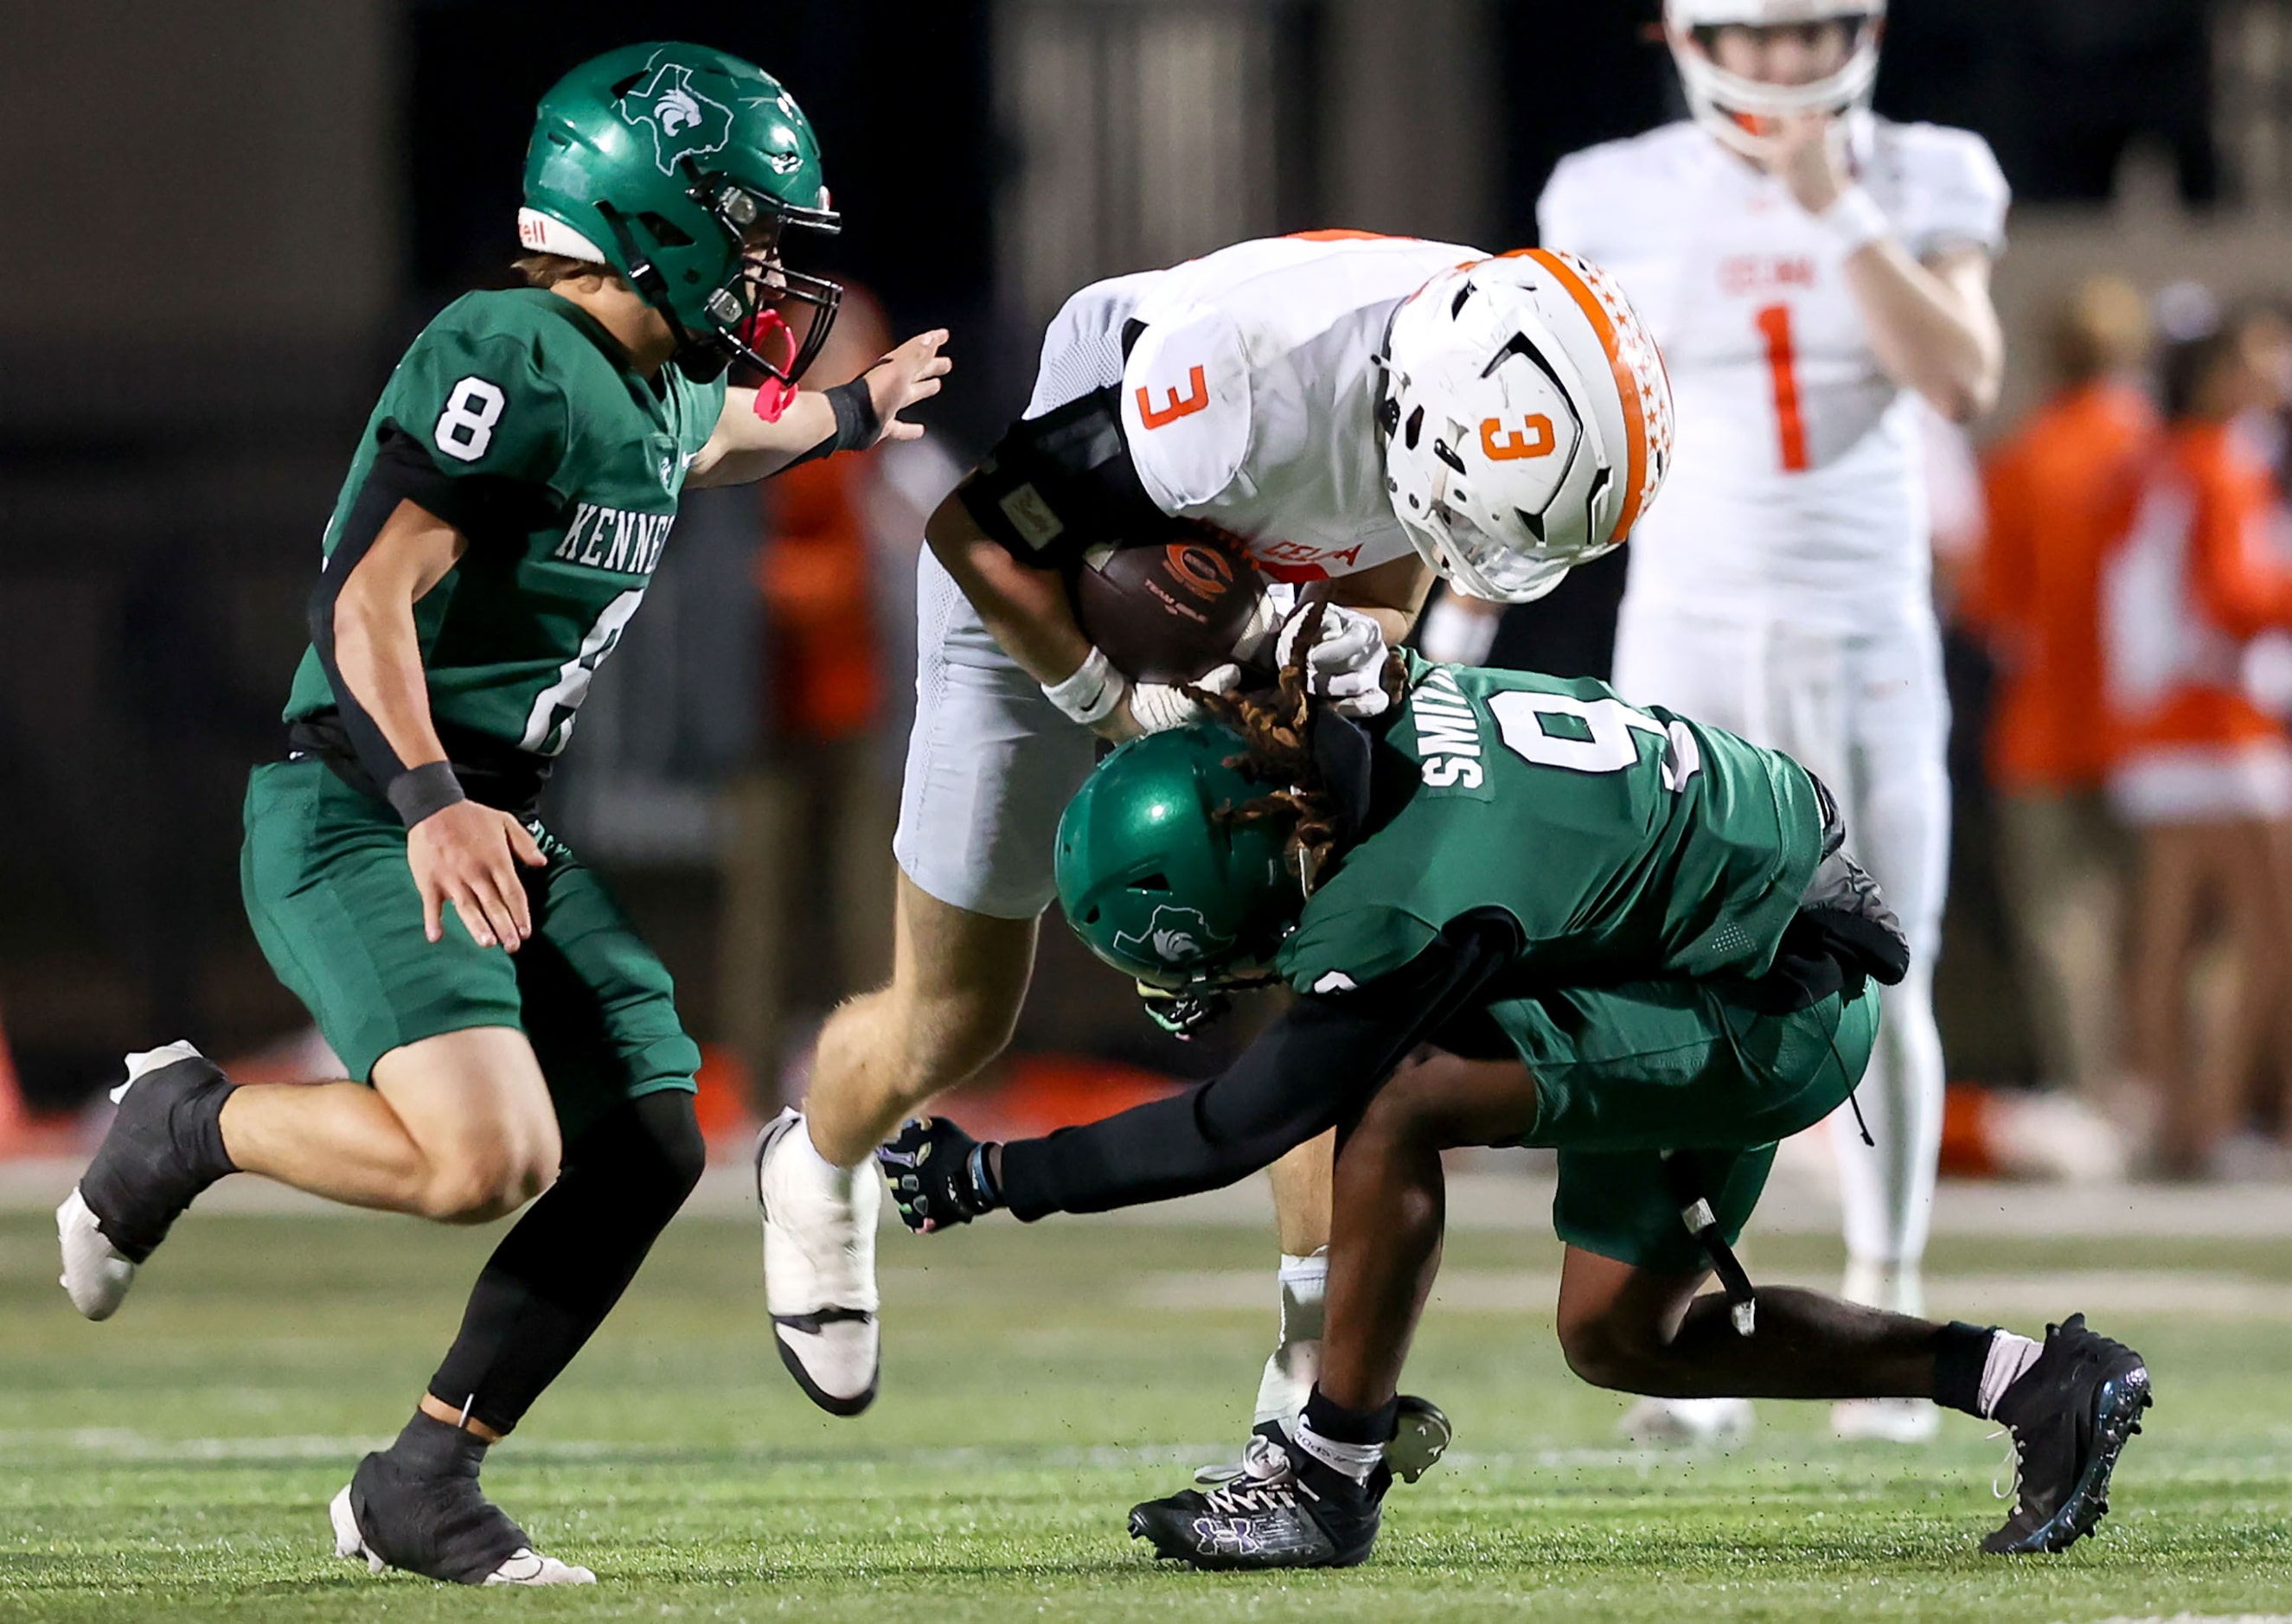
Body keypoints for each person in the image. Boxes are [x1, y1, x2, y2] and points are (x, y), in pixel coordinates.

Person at [54, 43, 951, 1587]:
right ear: (644, 209)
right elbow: (364, 593)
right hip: (362, 802)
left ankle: (424, 1476)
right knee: (483, 1160)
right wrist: (426, 801)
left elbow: (718, 437)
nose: (763, 271)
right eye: (743, 230)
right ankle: (189, 1121)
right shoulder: (505, 346)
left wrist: (856, 410)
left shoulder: (655, 371)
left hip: (493, 816)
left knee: (655, 1137)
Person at [875, 634, 2152, 1570]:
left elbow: (1231, 1125)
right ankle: (2031, 1380)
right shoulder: (1357, 715)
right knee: (1618, 1335)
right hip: (1727, 936)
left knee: (1385, 1098)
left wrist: (997, 1175)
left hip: (1766, 992)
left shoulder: (1398, 897)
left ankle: (1329, 1469)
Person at [755, 238, 1672, 1454]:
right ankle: (812, 1164)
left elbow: (1399, 531)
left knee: (1347, 953)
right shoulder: (1239, 389)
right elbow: (979, 529)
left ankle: (1307, 1362)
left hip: (1255, 587)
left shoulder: (1473, 377)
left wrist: (1333, 659)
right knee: (956, 1014)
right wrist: (1112, 700)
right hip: (1057, 570)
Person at [1537, 0, 2009, 1444]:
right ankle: (1683, 1322)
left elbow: (1962, 381)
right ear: (1682, 35)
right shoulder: (1607, 190)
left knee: (1887, 965)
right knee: (1667, 970)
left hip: (1860, 617)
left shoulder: (1927, 169)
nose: (1788, 67)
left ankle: (1889, 1280)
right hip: (1686, 614)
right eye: (1758, 35)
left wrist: (1840, 212)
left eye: (1814, 33)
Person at [2104, 300, 2292, 1176]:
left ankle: (2167, 1115)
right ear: (2217, 373)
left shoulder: (2165, 456)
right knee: (2270, 931)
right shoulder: (2221, 459)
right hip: (2220, 726)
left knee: (2169, 936)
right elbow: (2232, 598)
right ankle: (2215, 1120)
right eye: (2262, 353)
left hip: (2158, 725)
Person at [1963, 278, 2157, 1102]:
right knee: (2164, 926)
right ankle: (2173, 1091)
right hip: (2150, 729)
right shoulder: (2152, 448)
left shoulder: (2024, 457)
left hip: (2043, 726)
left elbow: (1990, 609)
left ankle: (2096, 1093)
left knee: (2063, 927)